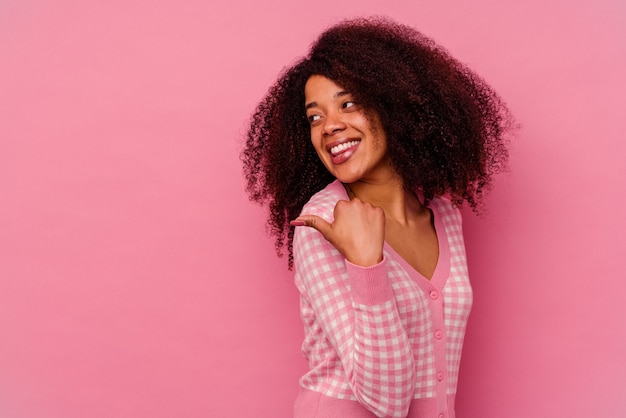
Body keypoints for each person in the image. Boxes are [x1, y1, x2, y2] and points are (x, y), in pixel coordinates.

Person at [242, 17, 513, 418]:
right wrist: (366, 263)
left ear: (395, 104)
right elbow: (385, 399)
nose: (330, 126)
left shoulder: (444, 213)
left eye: (348, 103)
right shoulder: (321, 223)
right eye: (314, 117)